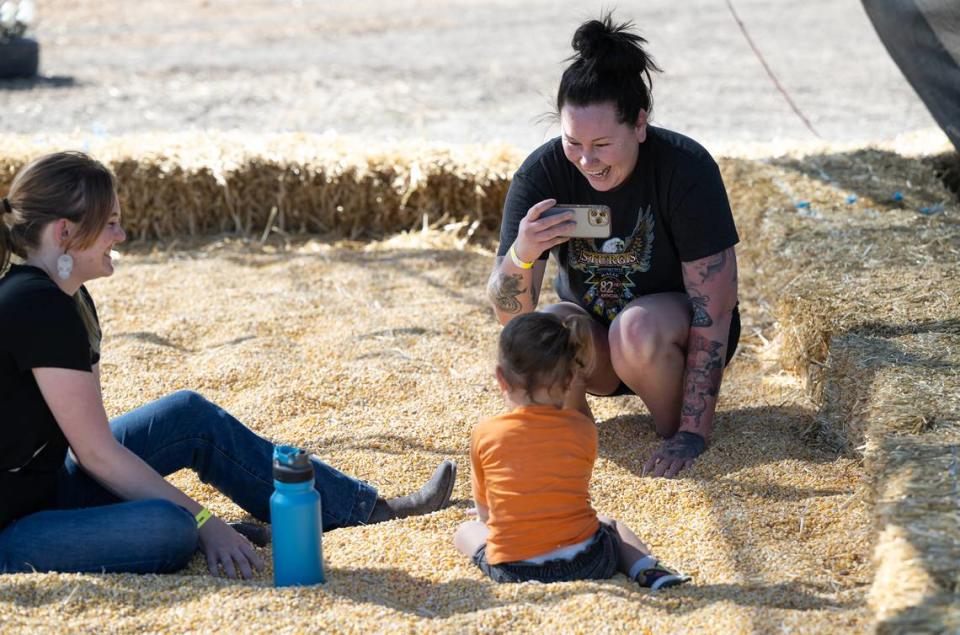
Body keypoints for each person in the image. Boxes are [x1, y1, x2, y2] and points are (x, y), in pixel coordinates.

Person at [0, 151, 457, 578]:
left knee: (190, 415)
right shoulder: (38, 306)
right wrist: (203, 519)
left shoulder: (68, 298)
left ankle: (360, 511)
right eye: (111, 224)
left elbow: (90, 448)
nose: (120, 236)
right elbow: (97, 453)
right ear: (64, 232)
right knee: (171, 528)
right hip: (12, 524)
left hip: (48, 486)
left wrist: (203, 519)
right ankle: (218, 532)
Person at [486, 13, 740, 479]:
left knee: (635, 328)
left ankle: (671, 429)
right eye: (572, 142)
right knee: (554, 322)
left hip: (666, 338)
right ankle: (571, 432)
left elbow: (716, 310)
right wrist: (523, 252)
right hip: (596, 344)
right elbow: (513, 321)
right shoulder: (541, 173)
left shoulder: (686, 168)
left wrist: (692, 432)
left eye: (602, 144)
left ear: (640, 125)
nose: (587, 161)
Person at [454, 312, 689, 588]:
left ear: (501, 378)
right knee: (610, 525)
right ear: (570, 379)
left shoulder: (485, 433)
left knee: (466, 531)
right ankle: (648, 569)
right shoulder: (583, 430)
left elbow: (486, 516)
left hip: (516, 569)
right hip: (589, 561)